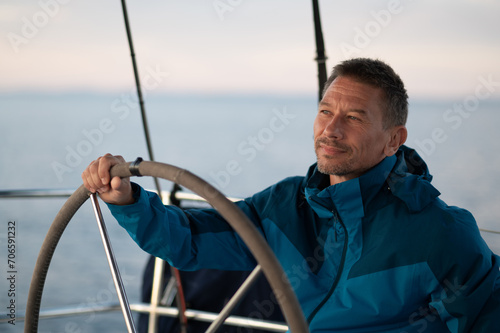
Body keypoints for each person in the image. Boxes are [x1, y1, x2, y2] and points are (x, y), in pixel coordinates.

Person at [82, 58, 500, 332]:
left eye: (353, 117)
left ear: (394, 140)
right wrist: (130, 202)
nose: (331, 129)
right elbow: (191, 240)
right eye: (325, 111)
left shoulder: (443, 234)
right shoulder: (285, 205)